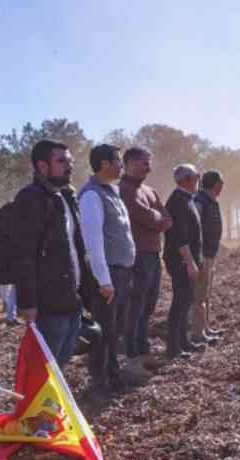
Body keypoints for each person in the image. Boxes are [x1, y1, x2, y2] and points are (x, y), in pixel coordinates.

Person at [11, 139, 90, 369]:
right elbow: (23, 254)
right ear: (43, 166)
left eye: (70, 161)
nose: (69, 166)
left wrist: (87, 293)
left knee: (59, 368)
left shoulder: (65, 197)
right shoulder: (30, 198)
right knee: (43, 372)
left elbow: (77, 248)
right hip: (48, 306)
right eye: (61, 161)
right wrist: (27, 302)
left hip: (72, 300)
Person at [78, 144, 137, 398]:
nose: (122, 166)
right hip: (108, 276)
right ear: (104, 164)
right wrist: (103, 280)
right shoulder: (91, 195)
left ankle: (113, 376)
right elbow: (93, 241)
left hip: (122, 272)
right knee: (103, 330)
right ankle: (99, 384)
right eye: (118, 161)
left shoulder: (111, 192)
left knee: (115, 330)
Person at [119, 147, 172, 375]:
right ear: (129, 163)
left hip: (153, 255)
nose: (149, 168)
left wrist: (157, 218)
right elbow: (144, 216)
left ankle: (144, 351)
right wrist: (156, 218)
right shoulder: (123, 190)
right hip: (136, 257)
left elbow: (166, 219)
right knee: (135, 308)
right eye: (144, 163)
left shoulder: (150, 191)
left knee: (148, 306)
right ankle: (132, 358)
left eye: (149, 163)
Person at [163, 164, 204, 359]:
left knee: (186, 301)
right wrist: (189, 262)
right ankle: (174, 348)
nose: (199, 180)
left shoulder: (186, 199)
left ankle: (183, 342)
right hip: (180, 260)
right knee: (180, 303)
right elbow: (180, 237)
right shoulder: (178, 202)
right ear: (187, 180)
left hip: (186, 259)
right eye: (197, 176)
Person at [192, 170, 224, 342]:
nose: (223, 186)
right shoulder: (200, 201)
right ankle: (198, 334)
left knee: (205, 295)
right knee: (199, 296)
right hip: (202, 254)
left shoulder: (210, 201)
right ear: (216, 184)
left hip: (210, 254)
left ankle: (206, 328)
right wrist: (199, 254)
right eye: (221, 182)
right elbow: (195, 228)